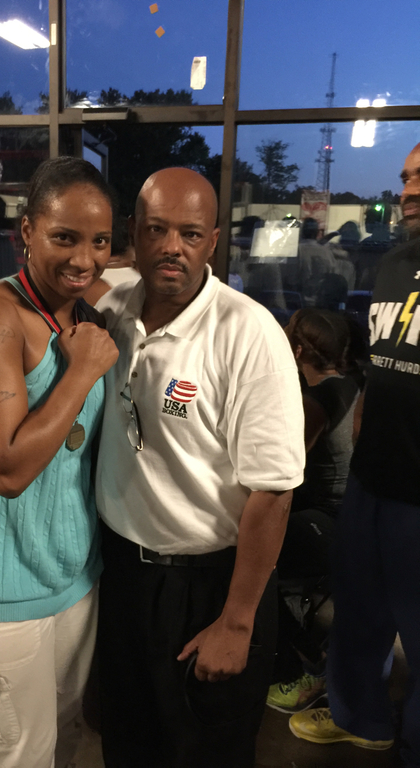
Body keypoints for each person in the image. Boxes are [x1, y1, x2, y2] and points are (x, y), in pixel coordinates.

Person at [95, 167, 305, 768]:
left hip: (211, 586)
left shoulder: (249, 334)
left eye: (189, 234)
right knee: (127, 743)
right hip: (122, 576)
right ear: (133, 233)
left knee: (208, 750)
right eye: (156, 230)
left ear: (212, 241)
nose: (172, 247)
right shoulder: (112, 309)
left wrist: (237, 624)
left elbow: (273, 492)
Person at [0, 157, 119, 768]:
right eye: (65, 237)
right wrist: (81, 372)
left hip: (71, 576)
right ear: (27, 232)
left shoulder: (82, 313)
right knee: (17, 756)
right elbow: (5, 471)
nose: (84, 259)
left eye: (99, 241)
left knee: (61, 738)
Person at [289, 143, 420, 767]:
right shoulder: (392, 266)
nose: (409, 190)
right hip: (372, 480)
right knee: (360, 613)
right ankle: (358, 718)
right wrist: (363, 425)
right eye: (406, 178)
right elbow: (381, 367)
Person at [266, 309, 360, 713]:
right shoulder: (350, 383)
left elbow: (283, 468)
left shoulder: (318, 400)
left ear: (298, 350)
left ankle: (296, 671)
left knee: (242, 563)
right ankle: (312, 654)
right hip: (348, 516)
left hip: (328, 523)